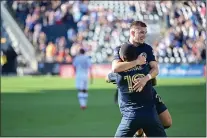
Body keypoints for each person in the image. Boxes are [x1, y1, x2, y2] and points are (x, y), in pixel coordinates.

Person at [112, 21, 169, 137]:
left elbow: (155, 69)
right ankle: (141, 132)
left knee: (167, 122)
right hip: (132, 95)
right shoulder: (121, 49)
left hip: (149, 91)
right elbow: (115, 68)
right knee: (139, 122)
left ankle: (143, 131)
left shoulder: (147, 48)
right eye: (141, 32)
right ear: (132, 32)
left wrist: (146, 78)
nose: (144, 35)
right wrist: (137, 62)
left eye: (145, 32)